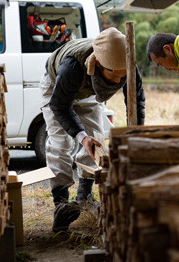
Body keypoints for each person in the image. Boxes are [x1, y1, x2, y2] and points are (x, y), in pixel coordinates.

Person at [40, 27, 145, 232]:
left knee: (96, 137)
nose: (117, 80)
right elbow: (60, 105)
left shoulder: (127, 64)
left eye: (122, 76)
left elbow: (137, 100)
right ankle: (61, 205)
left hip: (88, 91)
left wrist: (137, 134)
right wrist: (81, 137)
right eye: (113, 75)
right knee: (60, 142)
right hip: (56, 88)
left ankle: (84, 196)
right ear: (98, 64)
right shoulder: (72, 66)